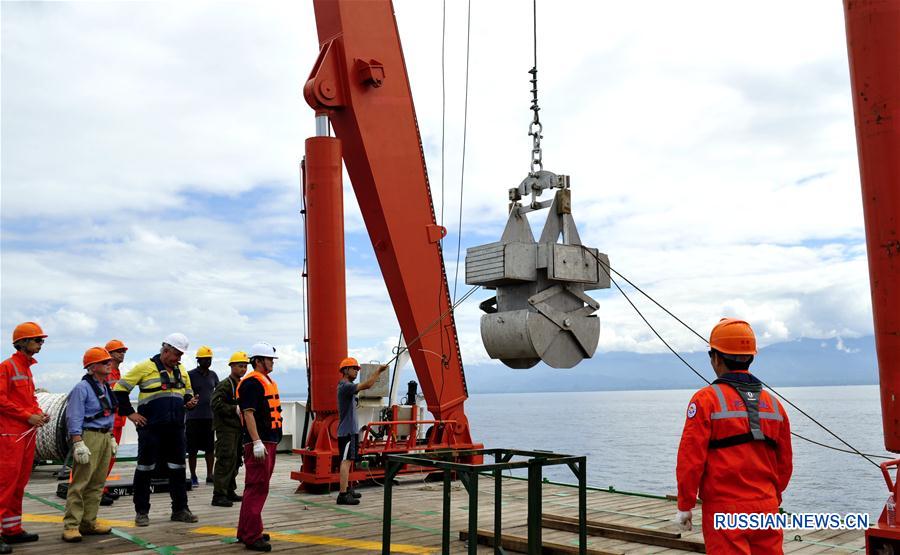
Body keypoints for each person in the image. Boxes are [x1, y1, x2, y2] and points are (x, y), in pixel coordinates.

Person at [675, 318, 793, 554]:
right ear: (751, 357)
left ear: (716, 358)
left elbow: (691, 459)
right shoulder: (774, 405)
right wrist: (771, 498)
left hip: (725, 510)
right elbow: (785, 463)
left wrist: (685, 505)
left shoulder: (706, 400)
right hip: (767, 508)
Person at [113, 333, 200, 527]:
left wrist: (190, 402)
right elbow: (119, 390)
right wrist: (130, 414)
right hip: (150, 428)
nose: (179, 359)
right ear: (166, 350)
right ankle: (141, 512)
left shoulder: (181, 370)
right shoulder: (145, 368)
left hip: (176, 428)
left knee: (178, 468)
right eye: (177, 354)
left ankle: (180, 509)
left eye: (180, 356)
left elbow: (187, 392)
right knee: (145, 468)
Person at [0, 322, 50, 553]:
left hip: (25, 435)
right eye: (37, 340)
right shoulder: (7, 367)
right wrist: (27, 416)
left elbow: (27, 399)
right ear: (23, 342)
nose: (41, 344)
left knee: (19, 484)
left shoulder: (26, 369)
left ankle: (11, 530)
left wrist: (38, 413)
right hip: (9, 435)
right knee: (4, 485)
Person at [62, 347, 118, 542]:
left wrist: (111, 436)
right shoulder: (81, 388)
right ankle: (71, 525)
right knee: (80, 483)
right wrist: (78, 443)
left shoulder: (105, 387)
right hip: (89, 437)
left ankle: (88, 522)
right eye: (105, 362)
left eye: (109, 361)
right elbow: (74, 416)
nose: (109, 364)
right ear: (93, 367)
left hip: (103, 437)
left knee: (97, 483)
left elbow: (108, 413)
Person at [235, 342, 282, 552]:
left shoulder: (263, 381)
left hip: (267, 441)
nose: (272, 362)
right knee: (257, 487)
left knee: (255, 487)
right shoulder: (252, 383)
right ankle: (252, 536)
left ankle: (247, 529)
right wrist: (256, 442)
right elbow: (248, 413)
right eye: (269, 359)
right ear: (258, 361)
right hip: (261, 442)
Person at [336, 357, 387, 506]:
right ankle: (342, 495)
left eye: (357, 369)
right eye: (354, 369)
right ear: (345, 370)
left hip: (350, 431)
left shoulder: (347, 386)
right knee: (345, 462)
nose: (357, 371)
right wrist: (378, 371)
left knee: (350, 460)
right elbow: (368, 385)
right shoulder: (345, 386)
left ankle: (347, 488)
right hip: (347, 432)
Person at [210, 351, 249, 507]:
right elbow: (215, 404)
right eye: (240, 366)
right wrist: (234, 409)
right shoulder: (225, 384)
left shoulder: (239, 384)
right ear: (232, 366)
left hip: (237, 429)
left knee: (235, 459)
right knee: (225, 459)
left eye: (245, 366)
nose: (243, 369)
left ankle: (229, 490)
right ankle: (218, 495)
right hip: (226, 429)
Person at [101, 339, 128, 506]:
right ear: (109, 354)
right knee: (102, 458)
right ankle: (95, 491)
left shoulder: (117, 373)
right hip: (108, 423)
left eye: (123, 351)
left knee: (109, 458)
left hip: (117, 422)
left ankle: (101, 488)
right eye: (119, 351)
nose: (122, 353)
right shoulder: (107, 373)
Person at [187, 346, 219, 487]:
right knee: (192, 449)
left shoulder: (213, 375)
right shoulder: (190, 375)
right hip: (193, 417)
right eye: (205, 359)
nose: (207, 361)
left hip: (209, 417)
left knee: (210, 448)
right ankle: (193, 476)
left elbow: (218, 392)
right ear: (198, 360)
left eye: (209, 359)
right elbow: (185, 392)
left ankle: (209, 475)